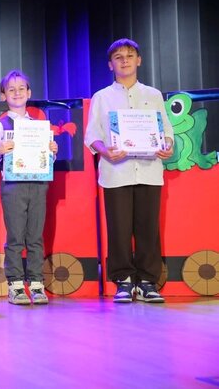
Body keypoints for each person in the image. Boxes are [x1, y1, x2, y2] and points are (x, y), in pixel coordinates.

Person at [84, 38, 174, 303]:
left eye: (130, 55)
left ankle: (147, 282)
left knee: (148, 228)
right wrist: (105, 150)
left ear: (139, 60)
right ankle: (123, 280)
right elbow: (92, 136)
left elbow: (166, 130)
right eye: (119, 57)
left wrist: (167, 145)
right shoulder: (102, 97)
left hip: (149, 170)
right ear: (110, 64)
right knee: (119, 229)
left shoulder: (153, 95)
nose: (125, 61)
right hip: (116, 173)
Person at [0, 70, 58, 305]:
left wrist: (52, 151)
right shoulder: (0, 125)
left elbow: (46, 160)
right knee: (16, 236)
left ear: (29, 93)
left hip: (38, 184)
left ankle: (36, 283)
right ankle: (15, 284)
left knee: (35, 236)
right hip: (13, 186)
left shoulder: (39, 126)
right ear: (3, 95)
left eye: (21, 89)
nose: (17, 93)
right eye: (11, 89)